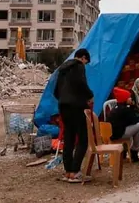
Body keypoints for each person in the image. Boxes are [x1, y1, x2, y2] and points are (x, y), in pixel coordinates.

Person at [53, 49, 93, 183]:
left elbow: (56, 91)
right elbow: (81, 83)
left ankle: (68, 171)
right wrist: (89, 95)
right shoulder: (78, 66)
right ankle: (75, 171)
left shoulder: (63, 68)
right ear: (83, 58)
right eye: (86, 62)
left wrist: (64, 99)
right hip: (77, 107)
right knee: (83, 138)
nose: (85, 64)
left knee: (69, 138)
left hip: (63, 107)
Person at [108, 94, 139, 163]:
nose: (131, 99)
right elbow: (135, 120)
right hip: (118, 135)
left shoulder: (115, 107)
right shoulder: (125, 109)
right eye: (129, 97)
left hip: (110, 134)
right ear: (125, 99)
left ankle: (124, 152)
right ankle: (134, 152)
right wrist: (132, 107)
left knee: (128, 128)